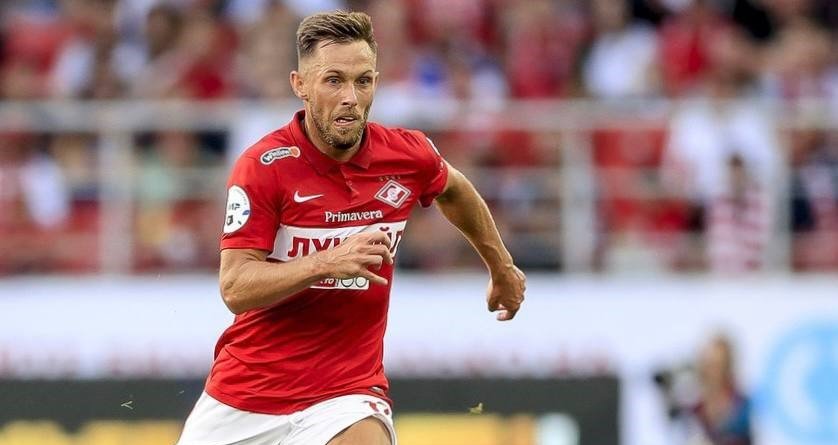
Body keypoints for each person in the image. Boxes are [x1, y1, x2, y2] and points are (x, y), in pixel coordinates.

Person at [175, 10, 526, 445]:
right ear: (300, 85)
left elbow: (454, 189)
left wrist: (501, 266)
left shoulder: (407, 155)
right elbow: (235, 287)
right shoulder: (263, 167)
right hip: (246, 397)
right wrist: (327, 262)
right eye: (334, 80)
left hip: (346, 394)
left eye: (363, 81)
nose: (350, 97)